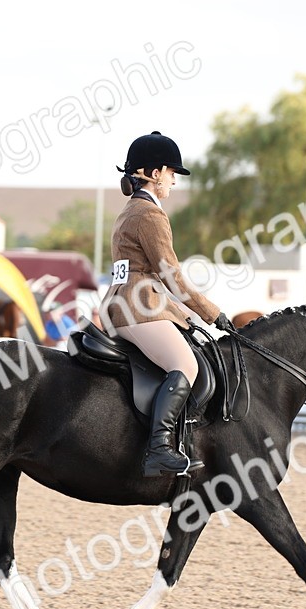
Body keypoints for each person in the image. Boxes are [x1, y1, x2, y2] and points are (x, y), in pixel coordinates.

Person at [98, 131, 226, 476]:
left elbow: (149, 277)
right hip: (138, 308)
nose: (173, 181)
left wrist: (186, 314)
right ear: (155, 173)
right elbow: (172, 277)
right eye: (171, 173)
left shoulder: (130, 210)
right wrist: (213, 314)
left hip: (123, 303)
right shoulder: (150, 215)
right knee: (186, 364)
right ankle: (159, 448)